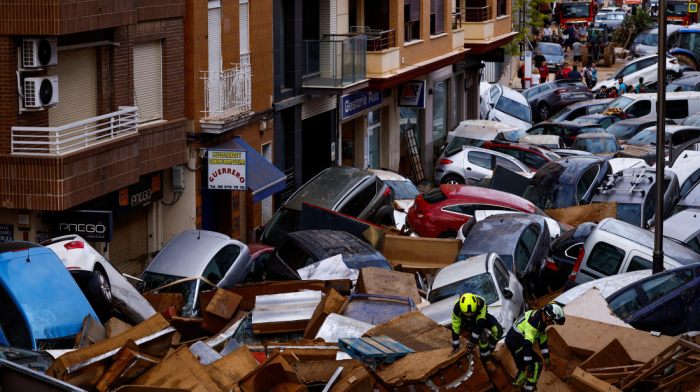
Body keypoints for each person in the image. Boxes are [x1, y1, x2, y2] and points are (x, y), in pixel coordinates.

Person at [506, 303, 566, 392]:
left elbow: (543, 342)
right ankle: (529, 389)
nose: (552, 324)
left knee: (523, 369)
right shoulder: (534, 322)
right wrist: (529, 364)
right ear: (547, 315)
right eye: (552, 321)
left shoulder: (542, 321)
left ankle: (515, 389)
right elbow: (527, 345)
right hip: (515, 342)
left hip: (516, 341)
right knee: (537, 363)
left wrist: (546, 358)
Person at [451, 293, 504, 372]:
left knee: (499, 331)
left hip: (481, 317)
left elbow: (480, 323)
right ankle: (486, 360)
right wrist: (455, 345)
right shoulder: (457, 309)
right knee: (483, 337)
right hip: (467, 322)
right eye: (467, 314)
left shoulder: (481, 303)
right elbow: (455, 328)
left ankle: (490, 352)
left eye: (471, 313)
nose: (469, 315)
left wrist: (471, 342)